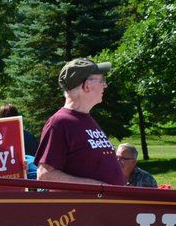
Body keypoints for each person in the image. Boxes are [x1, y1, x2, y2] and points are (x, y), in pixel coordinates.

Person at [35, 58, 122, 186]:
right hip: (84, 206)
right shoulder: (59, 123)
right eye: (102, 80)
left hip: (107, 205)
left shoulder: (86, 118)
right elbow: (45, 175)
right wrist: (98, 188)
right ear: (87, 86)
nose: (105, 85)